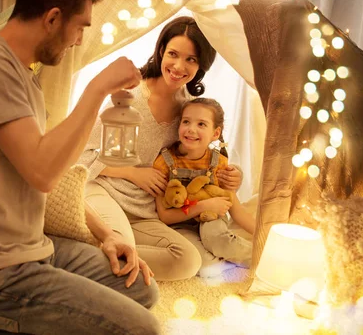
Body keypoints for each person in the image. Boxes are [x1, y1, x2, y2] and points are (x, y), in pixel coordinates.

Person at [0, 0, 160, 335]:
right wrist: (97, 88)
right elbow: (41, 172)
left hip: (31, 247)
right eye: (80, 27)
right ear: (53, 18)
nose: (79, 40)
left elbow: (53, 174)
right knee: (142, 329)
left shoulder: (25, 75)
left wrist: (108, 235)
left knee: (140, 289)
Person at [78, 16, 243, 282]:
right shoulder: (128, 96)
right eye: (173, 54)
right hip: (103, 191)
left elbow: (201, 156)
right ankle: (105, 255)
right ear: (161, 52)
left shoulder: (188, 108)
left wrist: (234, 176)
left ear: (201, 65)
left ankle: (95, 255)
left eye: (191, 59)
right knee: (125, 248)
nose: (179, 66)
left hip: (144, 209)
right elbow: (79, 157)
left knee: (188, 261)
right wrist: (132, 172)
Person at [153, 98, 255, 277]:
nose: (191, 129)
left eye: (201, 124)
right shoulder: (164, 162)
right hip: (179, 224)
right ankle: (227, 263)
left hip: (212, 218)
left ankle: (260, 258)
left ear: (215, 133)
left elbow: (236, 209)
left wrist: (266, 238)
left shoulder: (218, 162)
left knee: (217, 240)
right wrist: (202, 206)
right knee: (203, 264)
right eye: (186, 121)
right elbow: (165, 216)